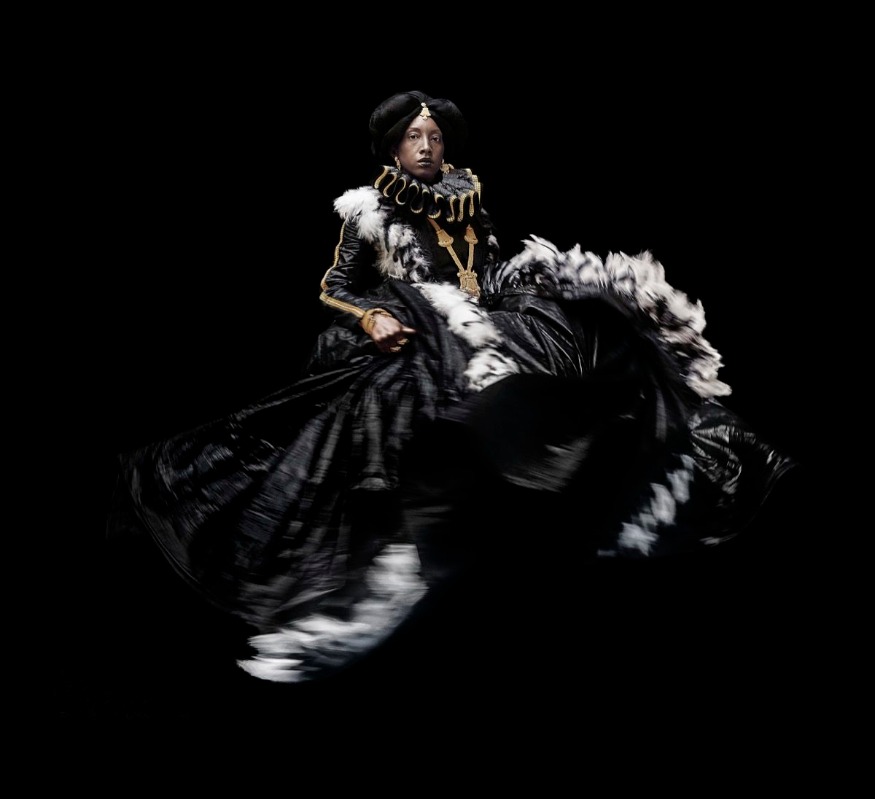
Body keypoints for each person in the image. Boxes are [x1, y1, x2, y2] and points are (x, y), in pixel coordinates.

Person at [107, 90, 796, 684]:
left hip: (482, 323)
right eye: (414, 136)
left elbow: (482, 274)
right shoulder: (370, 211)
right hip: (412, 324)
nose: (426, 146)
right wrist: (372, 315)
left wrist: (516, 291)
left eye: (434, 136)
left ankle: (594, 468)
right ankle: (409, 547)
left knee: (582, 336)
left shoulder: (470, 204)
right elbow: (336, 285)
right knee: (381, 418)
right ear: (394, 146)